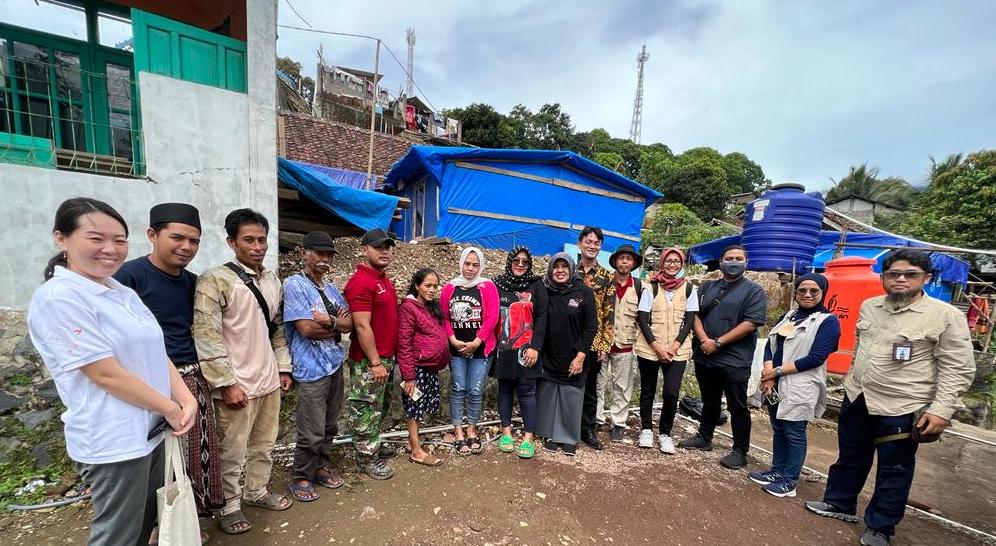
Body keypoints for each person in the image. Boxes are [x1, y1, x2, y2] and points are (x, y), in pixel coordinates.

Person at [28, 197, 197, 546]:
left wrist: (185, 397)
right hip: (115, 438)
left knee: (145, 526)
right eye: (96, 238)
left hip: (151, 430)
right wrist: (169, 407)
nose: (110, 249)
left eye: (119, 240)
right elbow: (104, 374)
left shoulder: (120, 291)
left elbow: (155, 351)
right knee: (118, 535)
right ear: (61, 238)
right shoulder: (59, 298)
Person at [805, 249, 975, 546]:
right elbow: (860, 348)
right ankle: (840, 502)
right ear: (883, 277)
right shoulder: (870, 306)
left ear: (926, 278)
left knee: (894, 469)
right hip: (858, 396)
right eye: (894, 274)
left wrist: (941, 409)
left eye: (910, 274)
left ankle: (880, 526)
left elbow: (957, 368)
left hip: (902, 404)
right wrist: (850, 381)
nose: (901, 279)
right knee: (850, 456)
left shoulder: (945, 316)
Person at [113, 202, 221, 540]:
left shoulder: (194, 283)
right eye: (177, 237)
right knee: (154, 463)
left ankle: (182, 522)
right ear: (152, 234)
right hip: (149, 384)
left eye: (194, 241)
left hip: (193, 379)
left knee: (195, 459)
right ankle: (152, 528)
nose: (186, 246)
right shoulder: (127, 278)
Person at [194, 209, 293, 535]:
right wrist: (225, 383)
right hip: (237, 384)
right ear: (231, 242)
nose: (257, 246)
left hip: (268, 380)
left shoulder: (271, 280)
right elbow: (206, 336)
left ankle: (256, 491)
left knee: (264, 444)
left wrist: (282, 368)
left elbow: (277, 329)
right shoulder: (215, 280)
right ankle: (229, 505)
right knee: (232, 451)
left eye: (262, 240)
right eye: (248, 240)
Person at [749, 273, 841, 498]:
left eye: (813, 291)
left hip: (801, 385)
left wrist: (776, 372)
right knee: (778, 428)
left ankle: (789, 480)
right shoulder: (789, 316)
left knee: (794, 432)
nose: (807, 294)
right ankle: (776, 471)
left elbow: (816, 357)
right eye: (802, 290)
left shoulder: (827, 322)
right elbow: (770, 346)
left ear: (823, 293)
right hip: (775, 383)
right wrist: (769, 374)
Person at [679, 244, 767, 470]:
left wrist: (717, 342)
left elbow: (750, 323)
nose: (734, 262)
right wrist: (704, 340)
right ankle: (704, 437)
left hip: (734, 359)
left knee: (737, 406)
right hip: (706, 355)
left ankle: (740, 450)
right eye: (729, 258)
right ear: (720, 263)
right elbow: (694, 314)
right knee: (709, 400)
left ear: (746, 263)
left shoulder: (753, 291)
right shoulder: (707, 287)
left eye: (738, 258)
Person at [282, 232, 353, 502]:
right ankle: (301, 476)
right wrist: (335, 326)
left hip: (334, 363)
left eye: (329, 255)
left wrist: (329, 322)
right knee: (311, 428)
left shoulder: (331, 289)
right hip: (310, 367)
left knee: (329, 423)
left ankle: (321, 467)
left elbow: (349, 324)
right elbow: (306, 329)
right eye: (319, 253)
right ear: (304, 253)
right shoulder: (295, 285)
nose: (325, 259)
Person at [343, 228, 400, 480]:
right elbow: (362, 326)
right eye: (378, 247)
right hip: (369, 361)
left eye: (387, 247)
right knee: (365, 408)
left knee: (379, 406)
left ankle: (372, 445)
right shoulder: (361, 282)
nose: (384, 251)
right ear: (364, 249)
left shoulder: (382, 278)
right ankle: (366, 458)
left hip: (385, 358)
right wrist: (375, 362)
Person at [633, 247, 699, 454]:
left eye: (676, 261)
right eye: (668, 261)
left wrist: (675, 346)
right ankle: (646, 429)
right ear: (662, 263)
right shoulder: (651, 288)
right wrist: (657, 347)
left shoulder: (689, 289)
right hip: (650, 348)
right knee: (648, 390)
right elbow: (642, 319)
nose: (672, 264)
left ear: (681, 264)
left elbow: (689, 321)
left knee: (671, 392)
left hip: (677, 350)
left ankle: (665, 433)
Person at [536, 253, 598, 456]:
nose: (560, 270)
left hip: (574, 355)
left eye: (564, 266)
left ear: (572, 269)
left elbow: (591, 326)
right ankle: (549, 434)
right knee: (549, 394)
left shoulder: (584, 292)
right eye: (556, 266)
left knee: (571, 396)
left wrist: (580, 356)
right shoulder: (545, 290)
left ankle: (568, 437)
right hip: (549, 353)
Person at [440, 247, 500, 455]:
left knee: (475, 389)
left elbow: (493, 317)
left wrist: (477, 341)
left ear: (480, 266)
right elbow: (445, 316)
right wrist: (452, 339)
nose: (470, 268)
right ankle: (458, 430)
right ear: (461, 264)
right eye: (467, 263)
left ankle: (472, 429)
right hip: (456, 348)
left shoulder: (488, 286)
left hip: (481, 349)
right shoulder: (450, 287)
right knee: (458, 388)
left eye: (475, 265)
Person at [491, 247, 548, 459]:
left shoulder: (537, 285)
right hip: (503, 348)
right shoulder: (497, 284)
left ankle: (528, 437)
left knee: (527, 391)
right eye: (516, 260)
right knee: (505, 389)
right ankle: (506, 432)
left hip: (527, 349)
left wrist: (535, 347)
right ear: (510, 261)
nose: (521, 264)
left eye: (525, 261)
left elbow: (542, 317)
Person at [397, 268, 450, 466]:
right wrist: (409, 376)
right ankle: (416, 451)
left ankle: (412, 442)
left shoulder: (431, 307)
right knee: (414, 406)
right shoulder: (408, 309)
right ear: (417, 285)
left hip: (429, 367)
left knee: (421, 405)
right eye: (427, 285)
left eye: (435, 286)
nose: (432, 290)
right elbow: (404, 343)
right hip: (416, 369)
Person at [574, 226, 613, 450]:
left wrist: (605, 344)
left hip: (594, 341)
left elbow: (609, 312)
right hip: (569, 338)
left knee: (590, 387)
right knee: (569, 384)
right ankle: (567, 426)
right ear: (579, 244)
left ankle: (587, 428)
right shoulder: (569, 271)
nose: (592, 246)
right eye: (588, 242)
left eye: (596, 243)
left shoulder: (607, 277)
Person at [602, 244, 643, 443]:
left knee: (622, 386)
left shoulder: (640, 287)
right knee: (598, 384)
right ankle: (596, 419)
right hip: (602, 344)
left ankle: (618, 423)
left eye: (628, 259)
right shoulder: (605, 282)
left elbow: (643, 318)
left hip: (625, 344)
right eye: (621, 258)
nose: (625, 262)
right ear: (615, 261)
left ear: (633, 263)